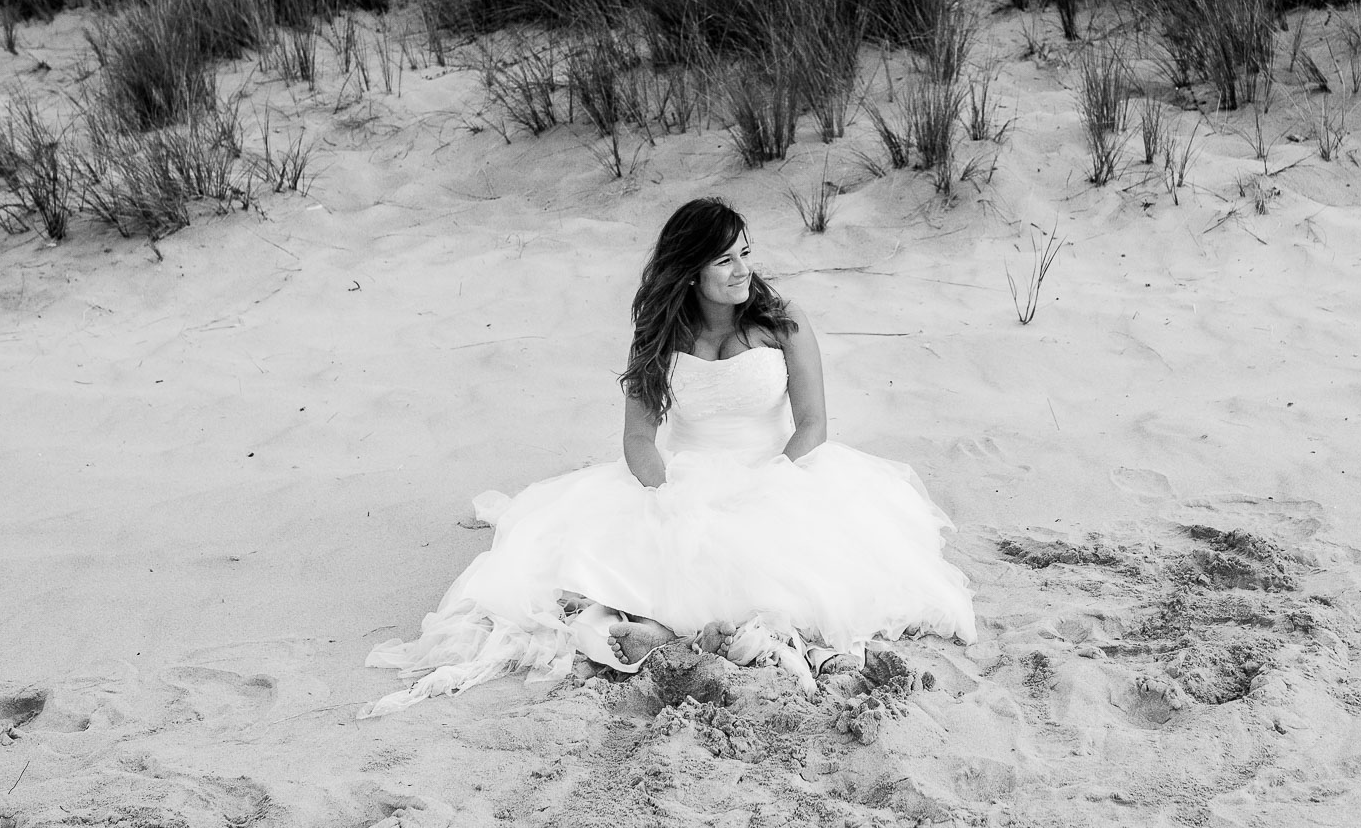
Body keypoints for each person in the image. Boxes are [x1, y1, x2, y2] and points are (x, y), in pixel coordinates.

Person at [362, 197, 976, 717]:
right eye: (724, 260)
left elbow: (813, 424)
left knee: (785, 570)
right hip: (680, 474)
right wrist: (665, 491)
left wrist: (770, 485)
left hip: (781, 468)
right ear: (689, 273)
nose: (742, 271)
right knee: (616, 558)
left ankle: (683, 628)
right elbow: (637, 439)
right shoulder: (660, 335)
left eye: (745, 253)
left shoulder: (782, 320)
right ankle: (662, 627)